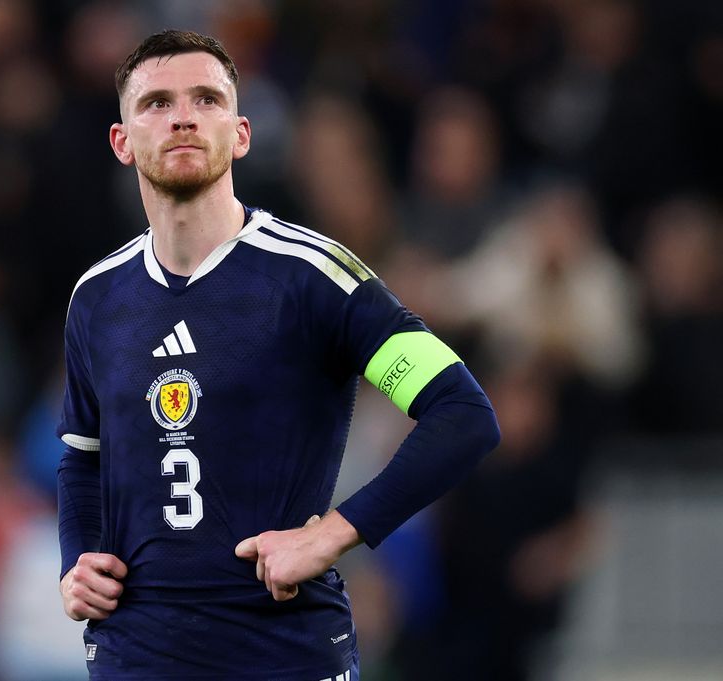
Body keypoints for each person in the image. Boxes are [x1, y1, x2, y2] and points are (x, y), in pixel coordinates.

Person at [56, 30, 500, 679]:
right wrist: (80, 556)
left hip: (280, 649)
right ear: (122, 141)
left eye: (205, 98)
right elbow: (81, 456)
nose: (181, 115)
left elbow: (461, 413)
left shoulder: (313, 277)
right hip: (136, 650)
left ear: (240, 134)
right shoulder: (96, 296)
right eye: (155, 102)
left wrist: (332, 534)